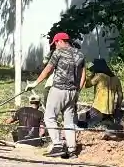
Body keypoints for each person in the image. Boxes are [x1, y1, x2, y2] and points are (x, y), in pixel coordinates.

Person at [28, 31, 87, 159]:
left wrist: (35, 83)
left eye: (55, 44)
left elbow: (48, 69)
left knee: (49, 116)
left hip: (58, 89)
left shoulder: (58, 52)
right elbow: (83, 75)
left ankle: (57, 145)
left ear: (60, 41)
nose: (54, 46)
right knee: (69, 121)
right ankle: (72, 150)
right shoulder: (80, 54)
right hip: (73, 92)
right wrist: (77, 91)